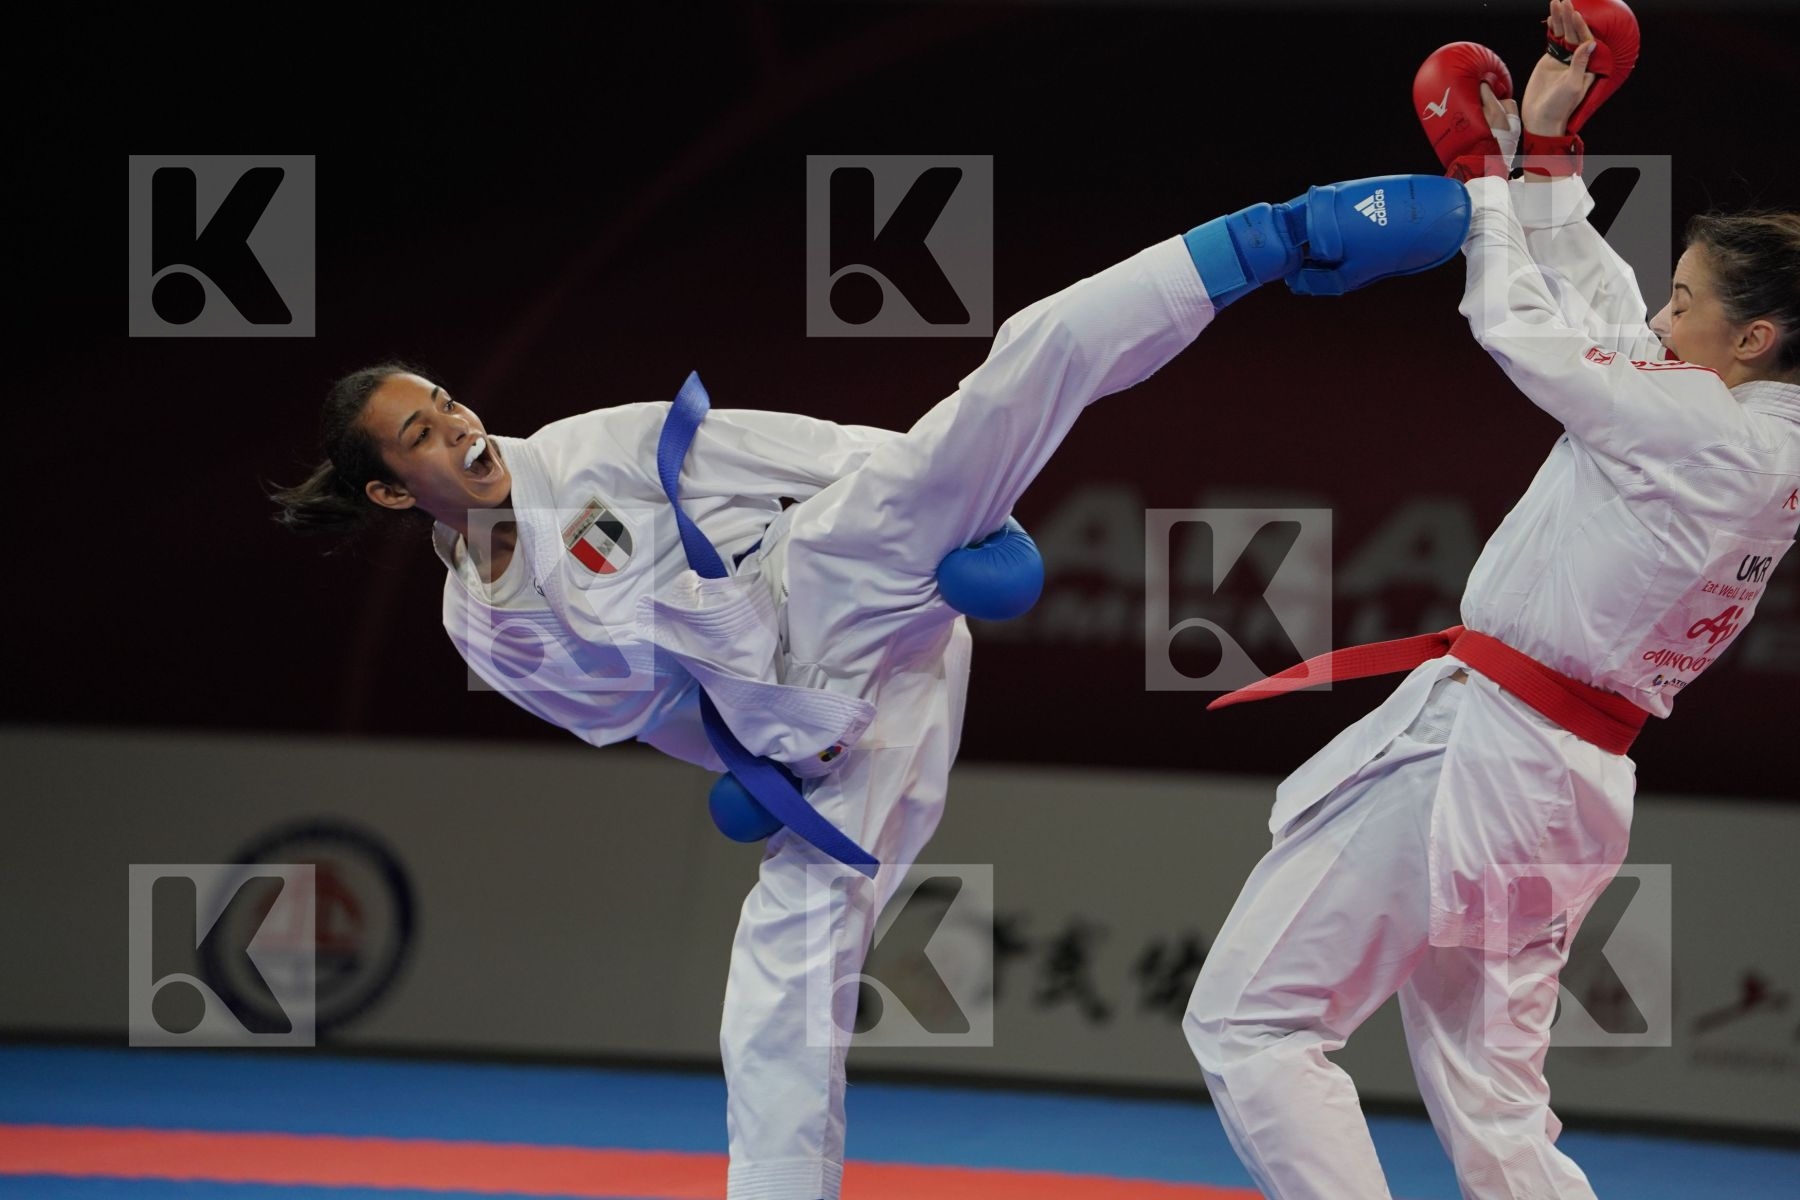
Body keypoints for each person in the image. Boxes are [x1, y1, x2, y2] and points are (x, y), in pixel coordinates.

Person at [273, 169, 1471, 1200]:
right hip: (827, 739)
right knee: (773, 995)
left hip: (831, 581)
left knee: (1007, 381)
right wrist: (751, 764)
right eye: (421, 437)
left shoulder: (599, 449)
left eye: (446, 404)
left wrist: (958, 523)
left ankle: (1271, 238)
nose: (458, 428)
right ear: (390, 492)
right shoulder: (488, 634)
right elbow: (645, 711)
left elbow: (824, 454)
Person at [1184, 3, 1800, 1197]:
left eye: (1686, 302)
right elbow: (1608, 325)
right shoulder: (1751, 427)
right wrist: (1549, 160)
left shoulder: (1710, 434)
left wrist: (1482, 181)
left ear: (1756, 337)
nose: (1662, 318)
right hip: (1561, 785)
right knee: (1497, 1109)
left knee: (1255, 1024)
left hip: (1491, 759)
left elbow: (1526, 331)